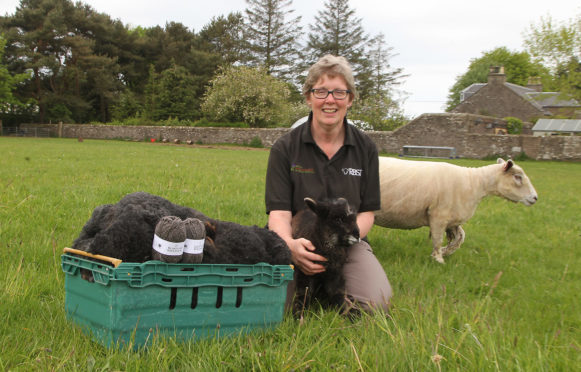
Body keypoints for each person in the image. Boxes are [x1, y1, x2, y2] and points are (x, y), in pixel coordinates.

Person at [265, 55, 392, 313]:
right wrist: (290, 246)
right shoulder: (284, 148)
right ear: (308, 97)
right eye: (321, 91)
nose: (330, 100)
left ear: (350, 99)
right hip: (297, 241)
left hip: (347, 244)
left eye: (339, 92)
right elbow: (279, 213)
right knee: (275, 305)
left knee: (375, 303)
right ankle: (318, 289)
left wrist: (342, 243)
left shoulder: (366, 148)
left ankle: (329, 287)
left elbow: (367, 213)